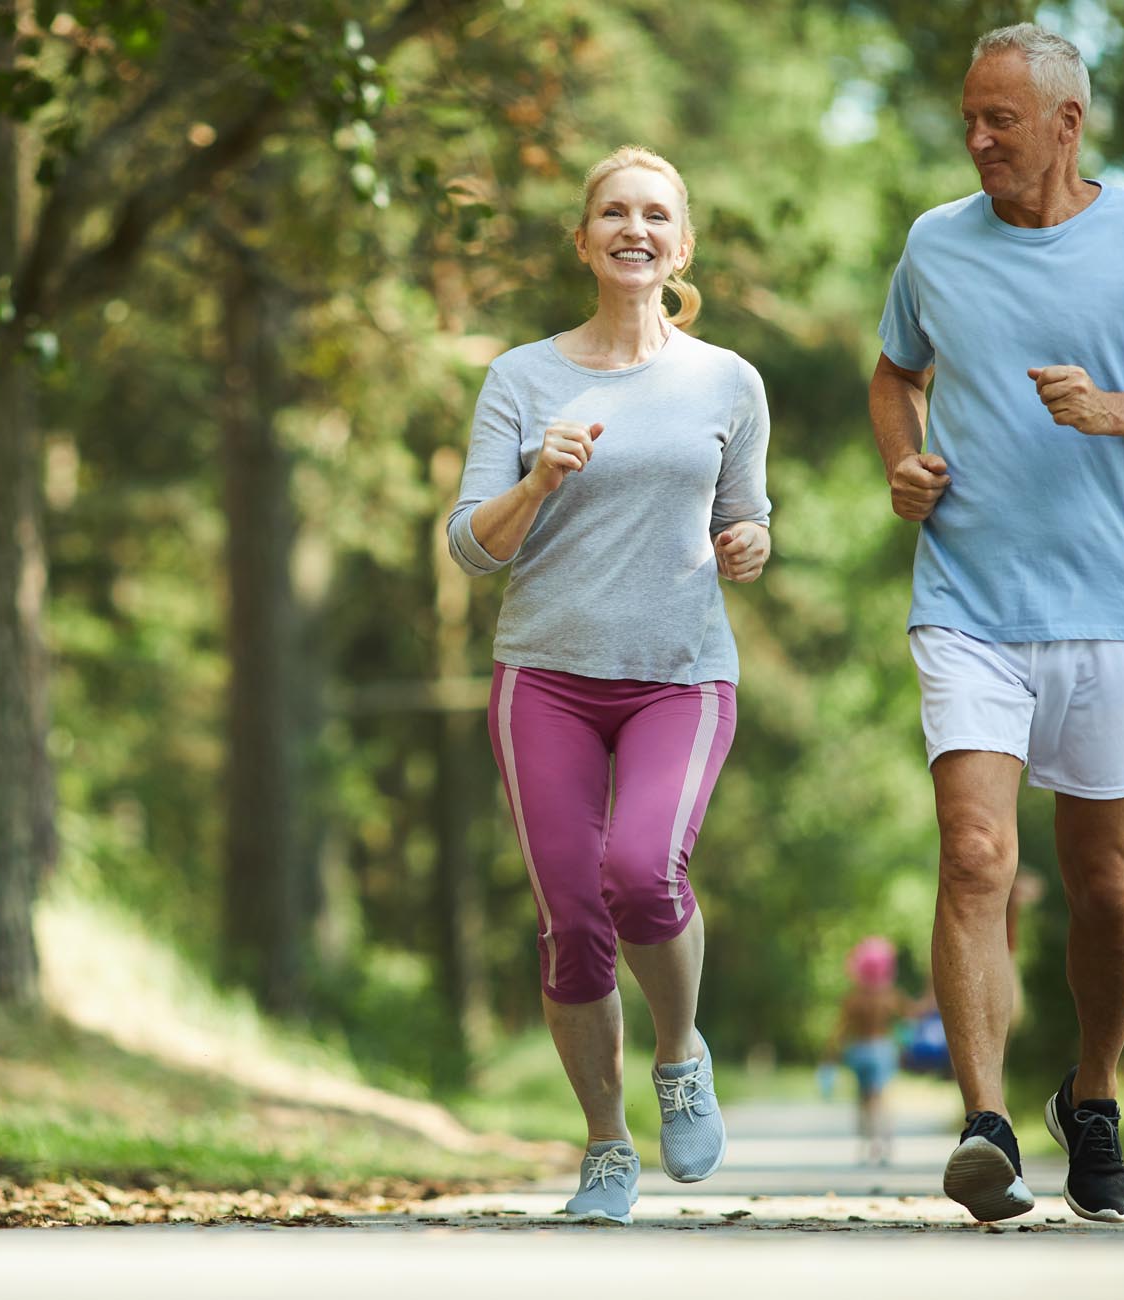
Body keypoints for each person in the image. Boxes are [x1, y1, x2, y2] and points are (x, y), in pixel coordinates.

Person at [870, 23, 1124, 1224]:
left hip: (1107, 613)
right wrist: (904, 463)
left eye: (1000, 120)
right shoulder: (934, 242)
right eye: (968, 118)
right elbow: (894, 373)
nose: (976, 139)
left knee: (1106, 886)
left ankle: (1091, 1095)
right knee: (977, 854)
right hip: (968, 601)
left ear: (1068, 123)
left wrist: (1114, 408)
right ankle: (983, 1125)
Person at [447, 144, 773, 1225]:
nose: (635, 229)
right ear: (583, 238)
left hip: (681, 676)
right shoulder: (521, 377)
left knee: (641, 871)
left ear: (681, 243)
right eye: (614, 212)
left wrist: (749, 544)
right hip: (543, 676)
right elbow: (469, 546)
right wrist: (539, 478)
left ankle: (679, 1053)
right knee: (572, 920)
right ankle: (605, 1144)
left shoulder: (728, 380)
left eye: (656, 215)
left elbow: (744, 512)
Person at [821, 936, 916, 1166]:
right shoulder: (889, 996)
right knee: (880, 1098)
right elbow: (909, 1016)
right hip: (882, 1050)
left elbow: (841, 1030)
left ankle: (865, 1145)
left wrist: (830, 1056)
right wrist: (905, 1043)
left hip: (859, 1051)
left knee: (862, 1099)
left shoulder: (853, 998)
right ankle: (884, 1143)